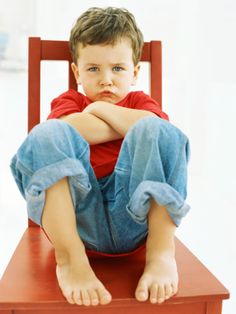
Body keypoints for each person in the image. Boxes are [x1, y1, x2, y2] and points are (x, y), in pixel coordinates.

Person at [10, 7, 190, 307]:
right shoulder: (69, 102)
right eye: (93, 69)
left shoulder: (142, 103)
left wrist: (98, 110)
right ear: (76, 72)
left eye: (117, 69)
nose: (106, 79)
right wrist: (120, 123)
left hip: (134, 216)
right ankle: (71, 260)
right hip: (78, 218)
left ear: (134, 73)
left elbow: (158, 133)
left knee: (159, 132)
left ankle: (161, 254)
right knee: (47, 134)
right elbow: (67, 129)